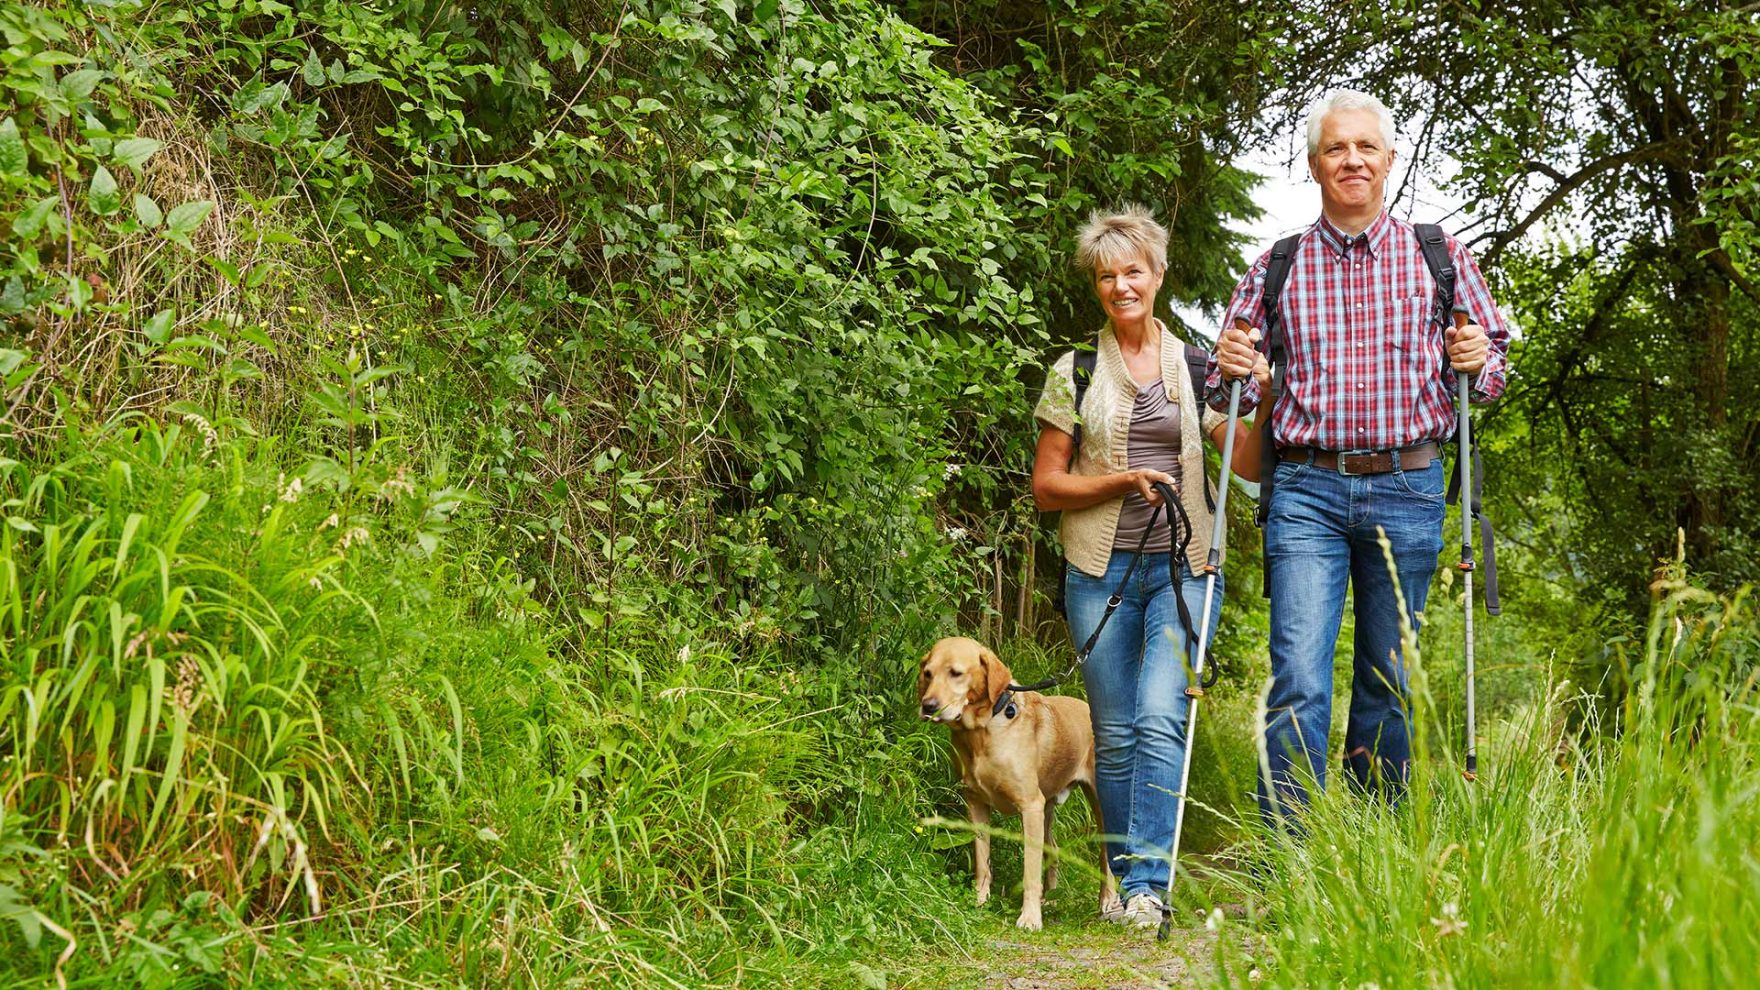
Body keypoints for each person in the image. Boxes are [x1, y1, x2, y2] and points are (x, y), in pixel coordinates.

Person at [1208, 91, 1511, 818]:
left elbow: (1491, 368)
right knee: (1300, 680)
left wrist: (1476, 358)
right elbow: (1231, 393)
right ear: (1315, 164)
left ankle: (1369, 853)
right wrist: (1229, 365)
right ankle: (1291, 852)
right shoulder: (1276, 266)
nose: (1352, 160)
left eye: (1365, 148)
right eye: (1336, 149)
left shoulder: (1440, 257)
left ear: (1389, 161)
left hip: (1408, 485)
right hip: (1307, 492)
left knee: (1390, 678)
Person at [1032, 205, 1267, 925]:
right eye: (1107, 276)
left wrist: (1264, 388)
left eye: (1133, 271)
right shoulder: (1073, 371)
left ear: (1158, 275)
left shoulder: (1200, 368)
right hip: (1097, 573)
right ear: (1097, 287)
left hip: (1185, 565)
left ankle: (1145, 891)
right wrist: (1119, 479)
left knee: (1162, 716)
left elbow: (1250, 465)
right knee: (1117, 729)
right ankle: (1124, 879)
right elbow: (1047, 489)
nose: (1121, 286)